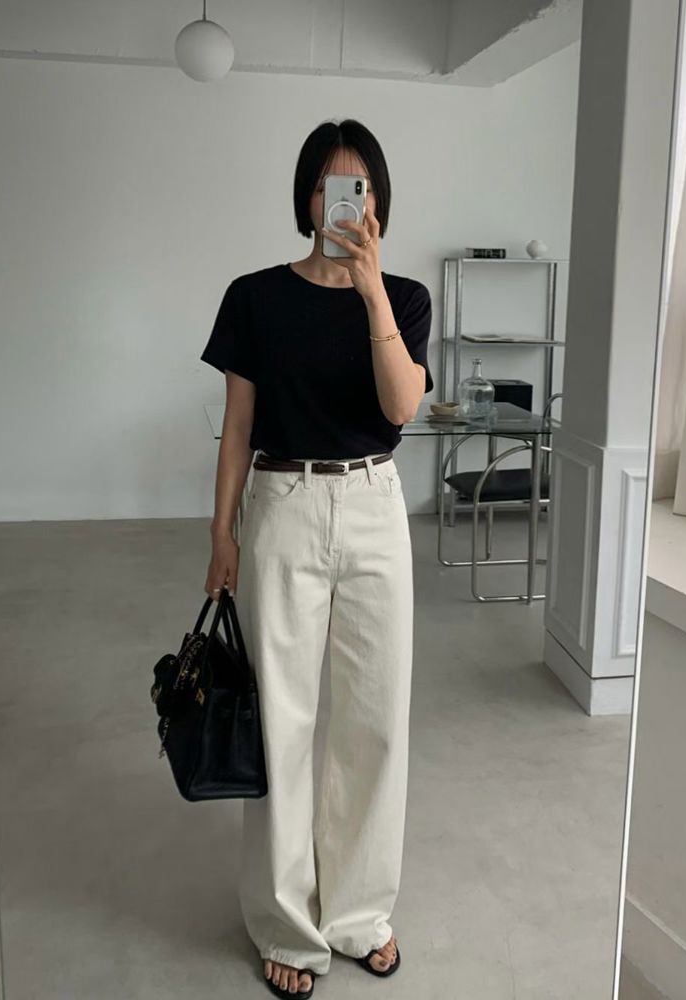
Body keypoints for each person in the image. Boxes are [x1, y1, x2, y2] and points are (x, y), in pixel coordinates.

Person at [200, 118, 433, 999]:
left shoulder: (404, 297)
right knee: (281, 720)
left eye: (359, 188)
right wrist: (221, 534)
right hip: (283, 503)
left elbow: (400, 407)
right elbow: (237, 427)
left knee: (375, 719)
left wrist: (370, 293)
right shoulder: (254, 296)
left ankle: (359, 914)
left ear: (377, 201)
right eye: (330, 186)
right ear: (306, 198)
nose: (345, 203)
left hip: (373, 503)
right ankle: (286, 925)